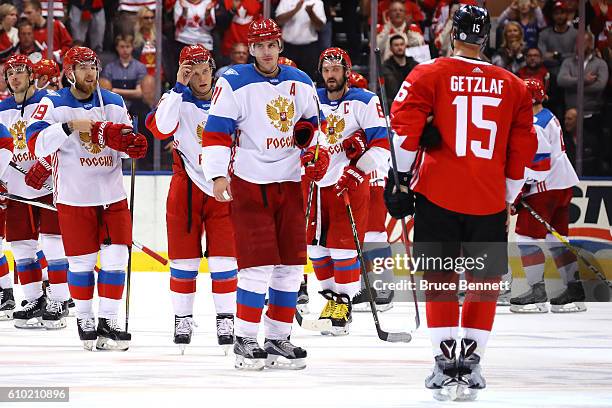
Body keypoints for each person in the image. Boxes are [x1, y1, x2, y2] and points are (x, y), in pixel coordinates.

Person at [385, 5, 536, 401]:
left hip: (437, 195)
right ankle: (471, 364)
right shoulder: (515, 86)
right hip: (487, 200)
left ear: (453, 34)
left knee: (439, 281)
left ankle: (442, 363)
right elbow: (521, 153)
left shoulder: (427, 73)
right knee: (484, 285)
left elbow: (403, 135)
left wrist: (399, 181)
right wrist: (505, 199)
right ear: (486, 38)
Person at [201, 18, 327, 370]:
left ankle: (278, 338)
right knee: (256, 267)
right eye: (260, 45)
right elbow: (216, 131)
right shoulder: (233, 81)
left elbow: (314, 126)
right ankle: (244, 338)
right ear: (251, 48)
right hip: (250, 181)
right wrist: (216, 175)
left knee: (289, 267)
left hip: (288, 181)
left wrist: (312, 149)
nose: (267, 51)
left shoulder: (300, 81)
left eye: (272, 44)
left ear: (280, 46)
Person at [26, 46, 148, 351]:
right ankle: (84, 318)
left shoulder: (114, 101)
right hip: (75, 196)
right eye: (82, 67)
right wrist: (68, 127)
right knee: (80, 263)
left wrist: (131, 146)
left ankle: (108, 320)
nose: (90, 72)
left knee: (117, 258)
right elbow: (36, 144)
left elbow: (123, 143)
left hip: (112, 194)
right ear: (69, 73)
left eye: (93, 66)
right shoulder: (53, 103)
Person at [146, 45, 238, 353]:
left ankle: (226, 318)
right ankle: (182, 318)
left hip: (223, 186)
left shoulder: (229, 98)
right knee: (184, 260)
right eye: (192, 71)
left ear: (213, 70)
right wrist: (177, 87)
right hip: (186, 187)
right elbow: (160, 129)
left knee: (225, 258)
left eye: (204, 70)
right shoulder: (176, 99)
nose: (200, 77)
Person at [303, 47, 389, 335]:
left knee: (342, 247)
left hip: (349, 184)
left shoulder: (365, 100)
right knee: (315, 247)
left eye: (336, 70)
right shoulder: (311, 99)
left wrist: (358, 169)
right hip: (315, 185)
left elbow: (381, 145)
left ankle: (343, 304)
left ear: (346, 72)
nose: (330, 75)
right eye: (326, 70)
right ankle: (330, 302)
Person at [0, 54, 70, 330]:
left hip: (47, 184)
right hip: (14, 188)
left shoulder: (48, 102)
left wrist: (43, 165)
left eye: (20, 71)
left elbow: (61, 138)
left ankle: (60, 300)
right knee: (21, 246)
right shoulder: (1, 107)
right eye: (10, 73)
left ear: (31, 75)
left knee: (53, 242)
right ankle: (32, 299)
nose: (14, 77)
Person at [509, 78, 583, 314]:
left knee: (526, 238)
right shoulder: (548, 115)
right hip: (562, 184)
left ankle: (536, 292)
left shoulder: (534, 124)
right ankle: (575, 289)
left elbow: (537, 166)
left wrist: (518, 192)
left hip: (544, 188)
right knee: (557, 238)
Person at [275, 0, 327, 79]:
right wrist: (295, 9)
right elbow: (279, 20)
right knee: (286, 78)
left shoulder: (317, 2)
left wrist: (311, 13)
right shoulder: (285, 1)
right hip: (289, 48)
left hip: (309, 49)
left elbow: (320, 26)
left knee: (310, 78)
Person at [101, 34, 148, 113]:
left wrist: (114, 90)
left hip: (136, 108)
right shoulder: (109, 67)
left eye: (127, 46)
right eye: (122, 47)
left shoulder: (140, 67)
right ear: (117, 48)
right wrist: (131, 92)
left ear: (132, 47)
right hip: (114, 107)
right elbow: (106, 92)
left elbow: (140, 93)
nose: (125, 50)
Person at [383, 34, 418, 107]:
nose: (399, 47)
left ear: (405, 46)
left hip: (414, 103)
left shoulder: (415, 65)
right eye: (396, 45)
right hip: (394, 105)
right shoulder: (386, 67)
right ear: (391, 48)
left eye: (401, 44)